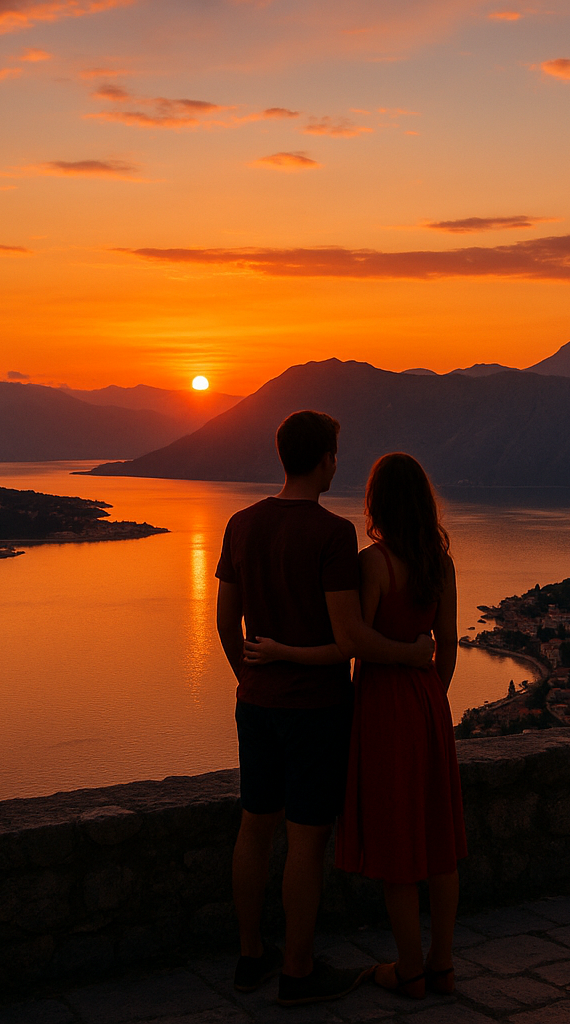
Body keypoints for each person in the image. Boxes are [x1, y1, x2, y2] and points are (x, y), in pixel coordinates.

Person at [215, 412, 433, 1007]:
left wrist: (252, 680)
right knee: (306, 840)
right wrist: (415, 656)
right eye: (336, 453)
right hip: (316, 711)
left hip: (257, 706)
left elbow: (223, 624)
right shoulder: (333, 535)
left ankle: (248, 955)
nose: (338, 462)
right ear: (325, 460)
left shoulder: (239, 524)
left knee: (254, 827)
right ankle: (298, 969)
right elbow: (347, 639)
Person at [246, 452, 466, 1000]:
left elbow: (355, 643)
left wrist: (287, 653)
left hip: (384, 708)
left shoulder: (374, 564)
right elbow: (448, 650)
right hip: (427, 706)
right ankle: (443, 965)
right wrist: (428, 693)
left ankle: (410, 971)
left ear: (377, 503)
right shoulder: (442, 563)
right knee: (438, 840)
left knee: (399, 847)